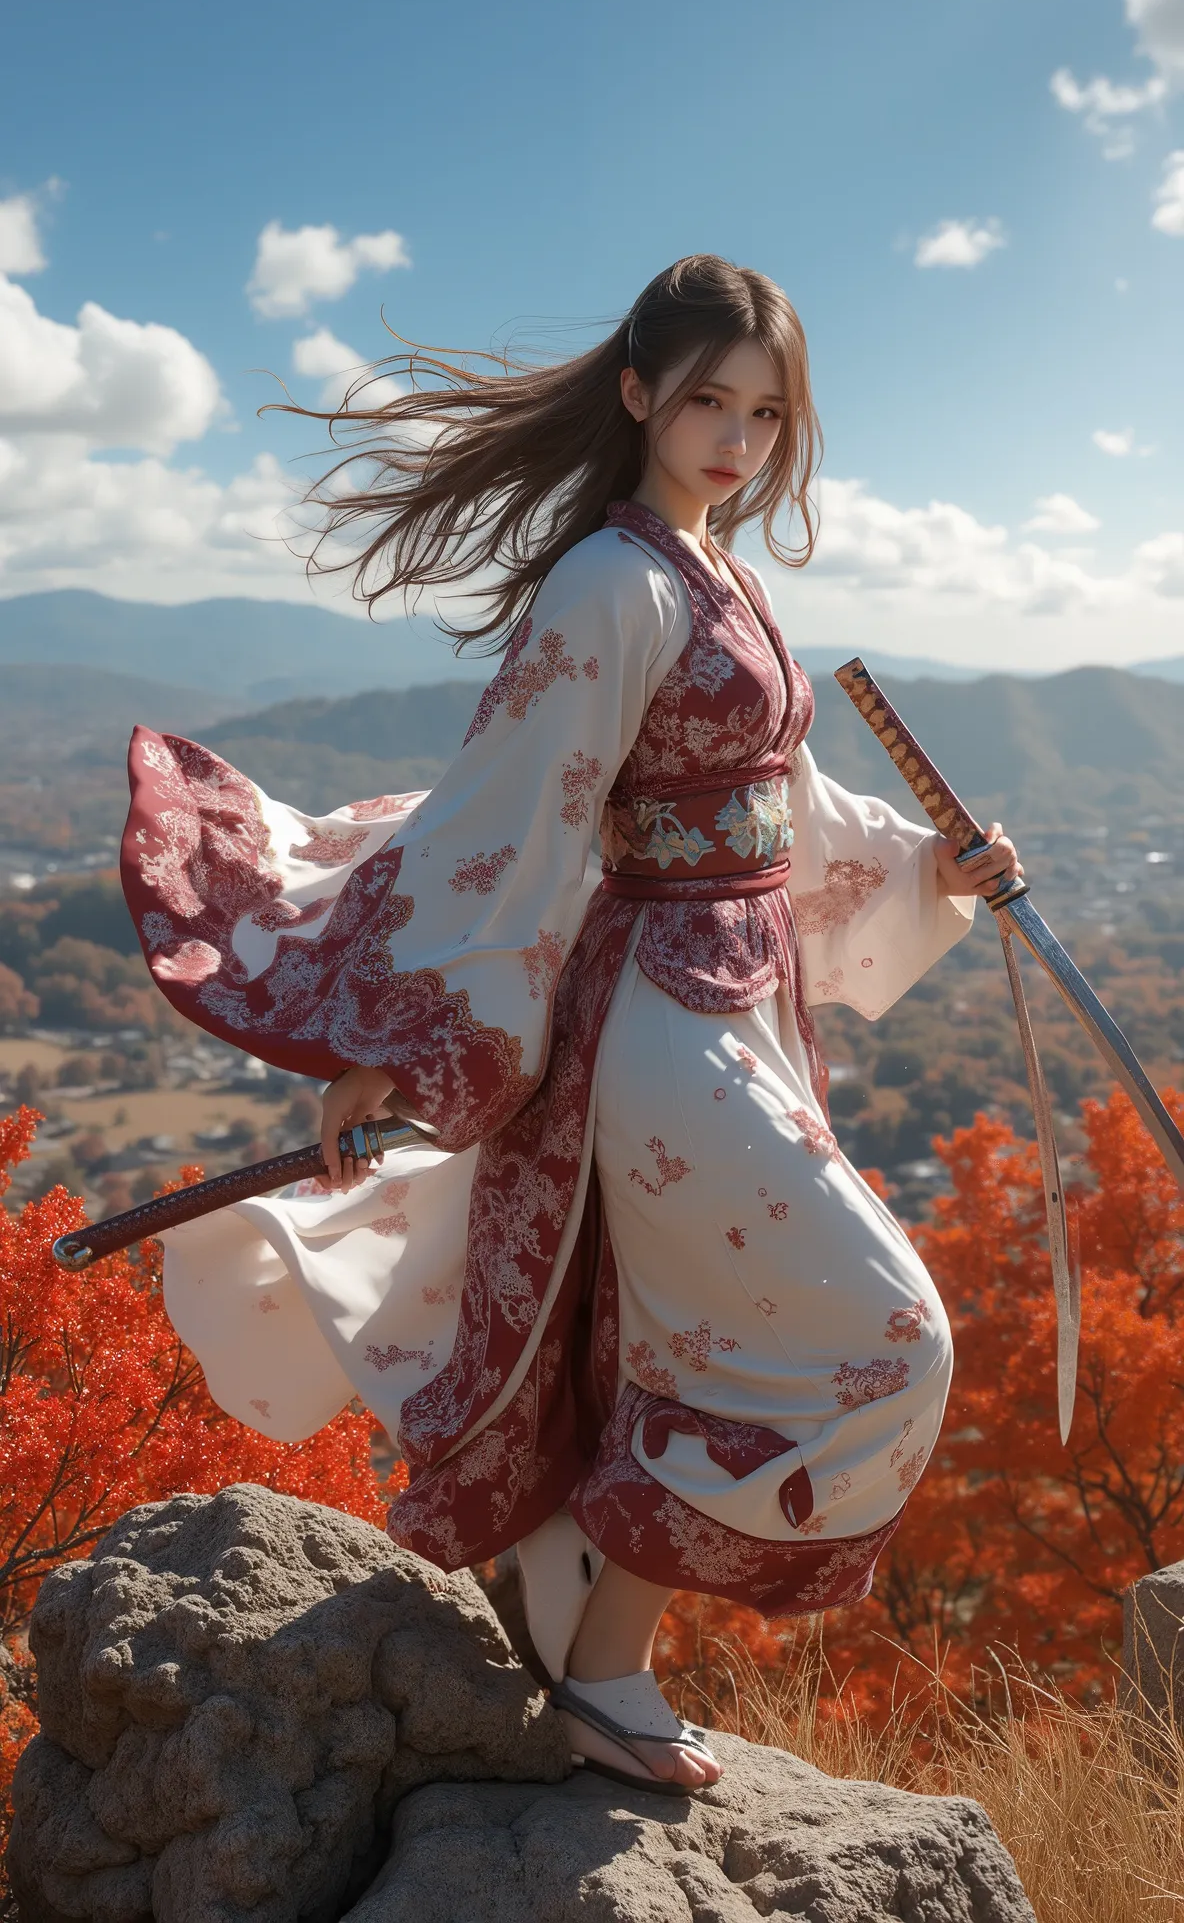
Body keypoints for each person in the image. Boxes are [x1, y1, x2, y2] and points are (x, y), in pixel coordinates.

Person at [123, 254, 1020, 1797]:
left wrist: (927, 866)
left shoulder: (717, 573)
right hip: (659, 1025)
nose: (736, 437)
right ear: (637, 395)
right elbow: (510, 815)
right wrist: (401, 1041)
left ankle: (593, 1653)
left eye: (765, 411)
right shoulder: (613, 584)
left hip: (745, 1003)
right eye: (707, 403)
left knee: (693, 1339)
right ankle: (603, 1666)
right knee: (886, 1339)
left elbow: (778, 809)